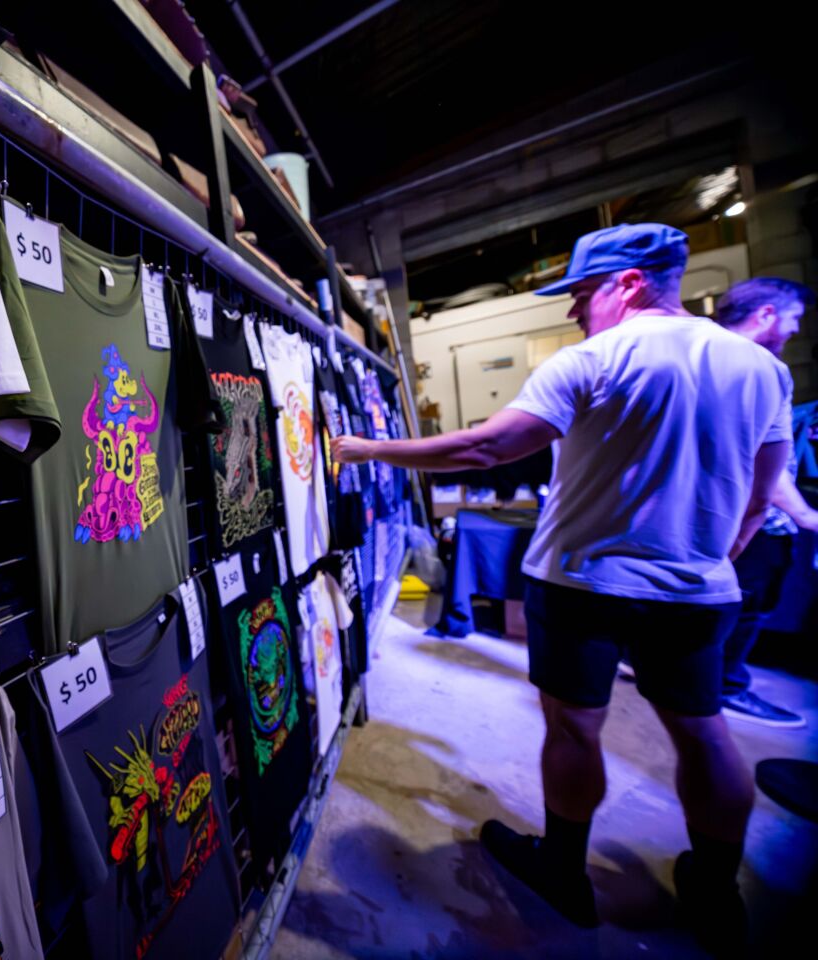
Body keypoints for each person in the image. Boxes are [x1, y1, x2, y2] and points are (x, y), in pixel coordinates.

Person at [337, 223, 791, 952]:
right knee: (704, 734)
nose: (574, 310)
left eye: (582, 293)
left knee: (575, 728)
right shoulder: (763, 369)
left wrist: (367, 449)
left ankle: (562, 869)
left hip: (583, 580)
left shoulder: (596, 358)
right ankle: (715, 893)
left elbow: (486, 446)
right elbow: (762, 497)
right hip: (698, 589)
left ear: (629, 283)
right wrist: (711, 559)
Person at [712, 278, 817, 728]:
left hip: (723, 517)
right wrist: (805, 516)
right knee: (743, 608)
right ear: (767, 314)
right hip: (750, 524)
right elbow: (764, 468)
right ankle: (725, 686)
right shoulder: (760, 368)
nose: (795, 329)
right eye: (794, 318)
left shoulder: (705, 359)